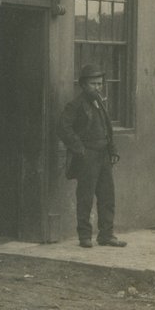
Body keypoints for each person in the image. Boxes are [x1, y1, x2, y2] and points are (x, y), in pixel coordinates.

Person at [58, 64, 126, 248]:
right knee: (85, 197)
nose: (98, 87)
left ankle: (106, 235)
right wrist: (79, 149)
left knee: (107, 196)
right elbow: (63, 128)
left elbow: (106, 128)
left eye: (100, 83)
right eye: (93, 83)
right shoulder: (75, 105)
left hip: (103, 155)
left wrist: (112, 150)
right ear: (83, 85)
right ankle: (85, 236)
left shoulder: (99, 102)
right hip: (87, 156)